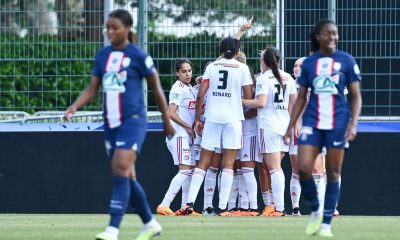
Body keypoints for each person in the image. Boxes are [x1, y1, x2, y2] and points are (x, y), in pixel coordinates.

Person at [64, 9, 175, 240]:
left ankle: (113, 229)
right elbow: (92, 89)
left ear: (128, 28)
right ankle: (150, 224)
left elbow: (157, 89)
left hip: (133, 121)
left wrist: (167, 121)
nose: (110, 32)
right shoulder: (103, 56)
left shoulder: (138, 55)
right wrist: (74, 107)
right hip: (111, 124)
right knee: (127, 176)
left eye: (115, 28)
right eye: (108, 28)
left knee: (120, 169)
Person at [283, 19, 362, 237]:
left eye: (335, 33)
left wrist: (353, 124)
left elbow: (356, 97)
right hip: (312, 122)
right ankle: (316, 210)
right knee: (304, 169)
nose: (333, 37)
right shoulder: (309, 64)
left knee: (333, 172)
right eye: (328, 33)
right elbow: (300, 98)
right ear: (318, 36)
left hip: (337, 123)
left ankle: (326, 223)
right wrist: (290, 125)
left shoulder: (346, 61)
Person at [181, 36, 253, 216]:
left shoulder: (211, 67)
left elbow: (201, 95)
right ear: (237, 52)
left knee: (204, 162)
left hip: (212, 117)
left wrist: (198, 118)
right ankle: (222, 208)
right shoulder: (243, 68)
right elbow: (248, 96)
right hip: (233, 119)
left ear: (221, 50)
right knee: (228, 163)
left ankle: (189, 204)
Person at [243, 46, 297, 216]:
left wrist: (242, 100)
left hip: (269, 126)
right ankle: (276, 206)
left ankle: (279, 208)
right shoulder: (288, 77)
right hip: (284, 126)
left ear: (264, 61)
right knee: (276, 168)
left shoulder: (264, 78)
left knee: (274, 169)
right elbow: (293, 104)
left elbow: (261, 103)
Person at [156, 59, 200, 216]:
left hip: (186, 136)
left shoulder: (190, 88)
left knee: (190, 171)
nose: (188, 74)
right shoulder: (177, 88)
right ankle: (164, 204)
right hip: (179, 134)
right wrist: (188, 127)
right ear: (177, 73)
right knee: (185, 170)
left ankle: (185, 208)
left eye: (189, 70)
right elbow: (170, 112)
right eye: (183, 71)